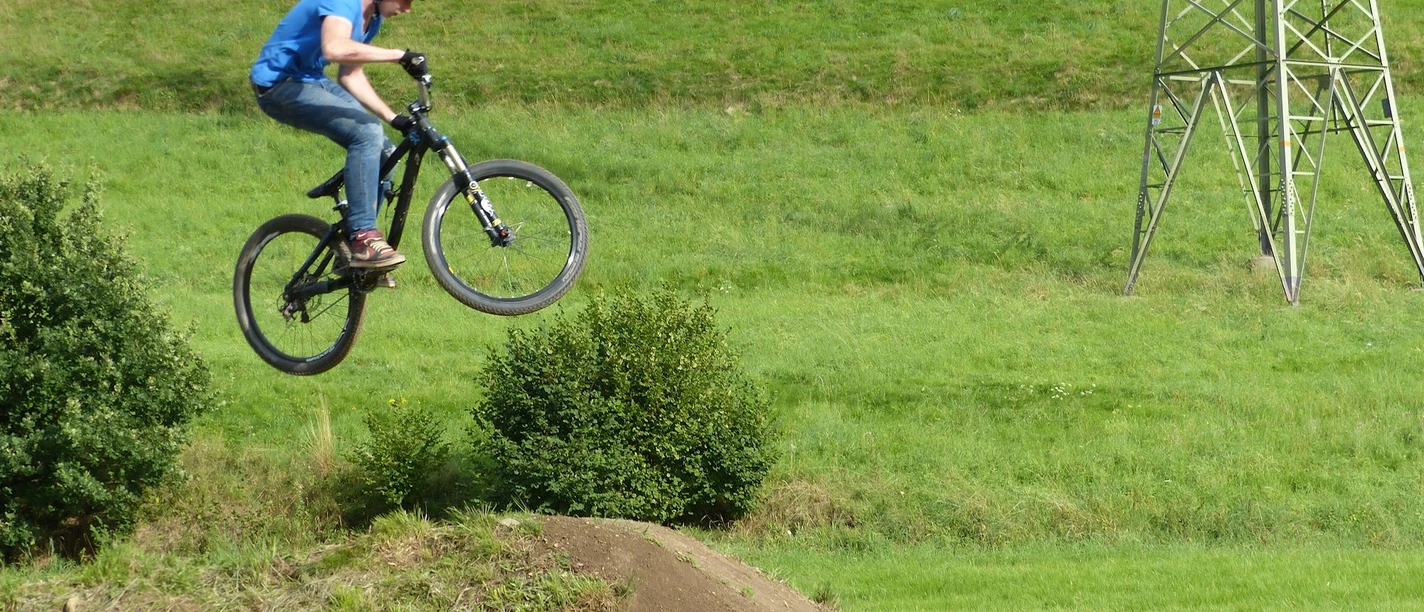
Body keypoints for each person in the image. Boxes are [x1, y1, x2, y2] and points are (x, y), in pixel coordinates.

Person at [250, 0, 428, 272]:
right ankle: (364, 238)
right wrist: (398, 55)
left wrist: (394, 118)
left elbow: (350, 74)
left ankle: (352, 258)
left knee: (387, 152)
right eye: (406, 0)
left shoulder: (372, 19)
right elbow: (333, 48)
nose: (407, 9)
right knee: (366, 134)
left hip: (311, 80)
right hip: (277, 86)